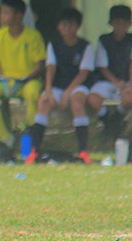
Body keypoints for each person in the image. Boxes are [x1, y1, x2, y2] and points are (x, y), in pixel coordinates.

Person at [0, 0, 46, 161]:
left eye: (6, 13)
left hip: (27, 81)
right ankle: (5, 138)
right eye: (1, 12)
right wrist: (2, 79)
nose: (1, 16)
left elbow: (40, 66)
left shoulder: (33, 36)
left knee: (33, 95)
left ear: (18, 16)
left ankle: (32, 140)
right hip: (5, 81)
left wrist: (23, 79)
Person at [26, 8, 94, 164]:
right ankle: (34, 151)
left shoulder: (85, 46)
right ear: (58, 27)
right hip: (57, 86)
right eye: (64, 25)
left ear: (78, 27)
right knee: (43, 103)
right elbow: (50, 68)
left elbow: (83, 73)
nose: (67, 28)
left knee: (77, 102)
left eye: (71, 25)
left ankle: (83, 151)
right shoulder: (54, 45)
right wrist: (48, 91)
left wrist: (67, 93)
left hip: (78, 86)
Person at [86, 5, 132, 143]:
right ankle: (110, 123)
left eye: (124, 23)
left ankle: (115, 122)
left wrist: (131, 85)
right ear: (111, 23)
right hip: (106, 81)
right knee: (93, 99)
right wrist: (116, 83)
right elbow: (103, 67)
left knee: (129, 98)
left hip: (128, 80)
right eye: (117, 23)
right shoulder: (103, 40)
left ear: (130, 24)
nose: (120, 27)